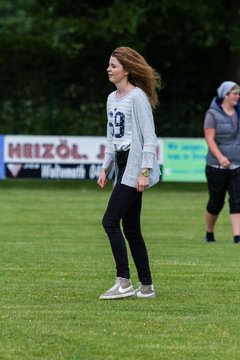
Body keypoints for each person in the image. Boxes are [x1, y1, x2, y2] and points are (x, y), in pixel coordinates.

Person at [97, 46, 161, 299]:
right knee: (131, 228)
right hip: (122, 166)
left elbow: (149, 138)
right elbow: (112, 137)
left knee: (110, 222)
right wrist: (105, 166)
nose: (109, 69)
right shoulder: (112, 98)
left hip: (135, 166)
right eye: (109, 65)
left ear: (126, 68)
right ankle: (146, 287)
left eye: (113, 65)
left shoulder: (138, 97)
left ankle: (123, 281)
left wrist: (144, 171)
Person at [204, 81, 240, 244]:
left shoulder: (239, 112)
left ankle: (237, 237)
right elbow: (210, 139)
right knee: (216, 202)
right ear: (225, 95)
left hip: (237, 164)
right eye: (235, 93)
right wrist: (221, 158)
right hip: (216, 166)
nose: (238, 97)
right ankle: (209, 232)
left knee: (237, 199)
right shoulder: (212, 114)